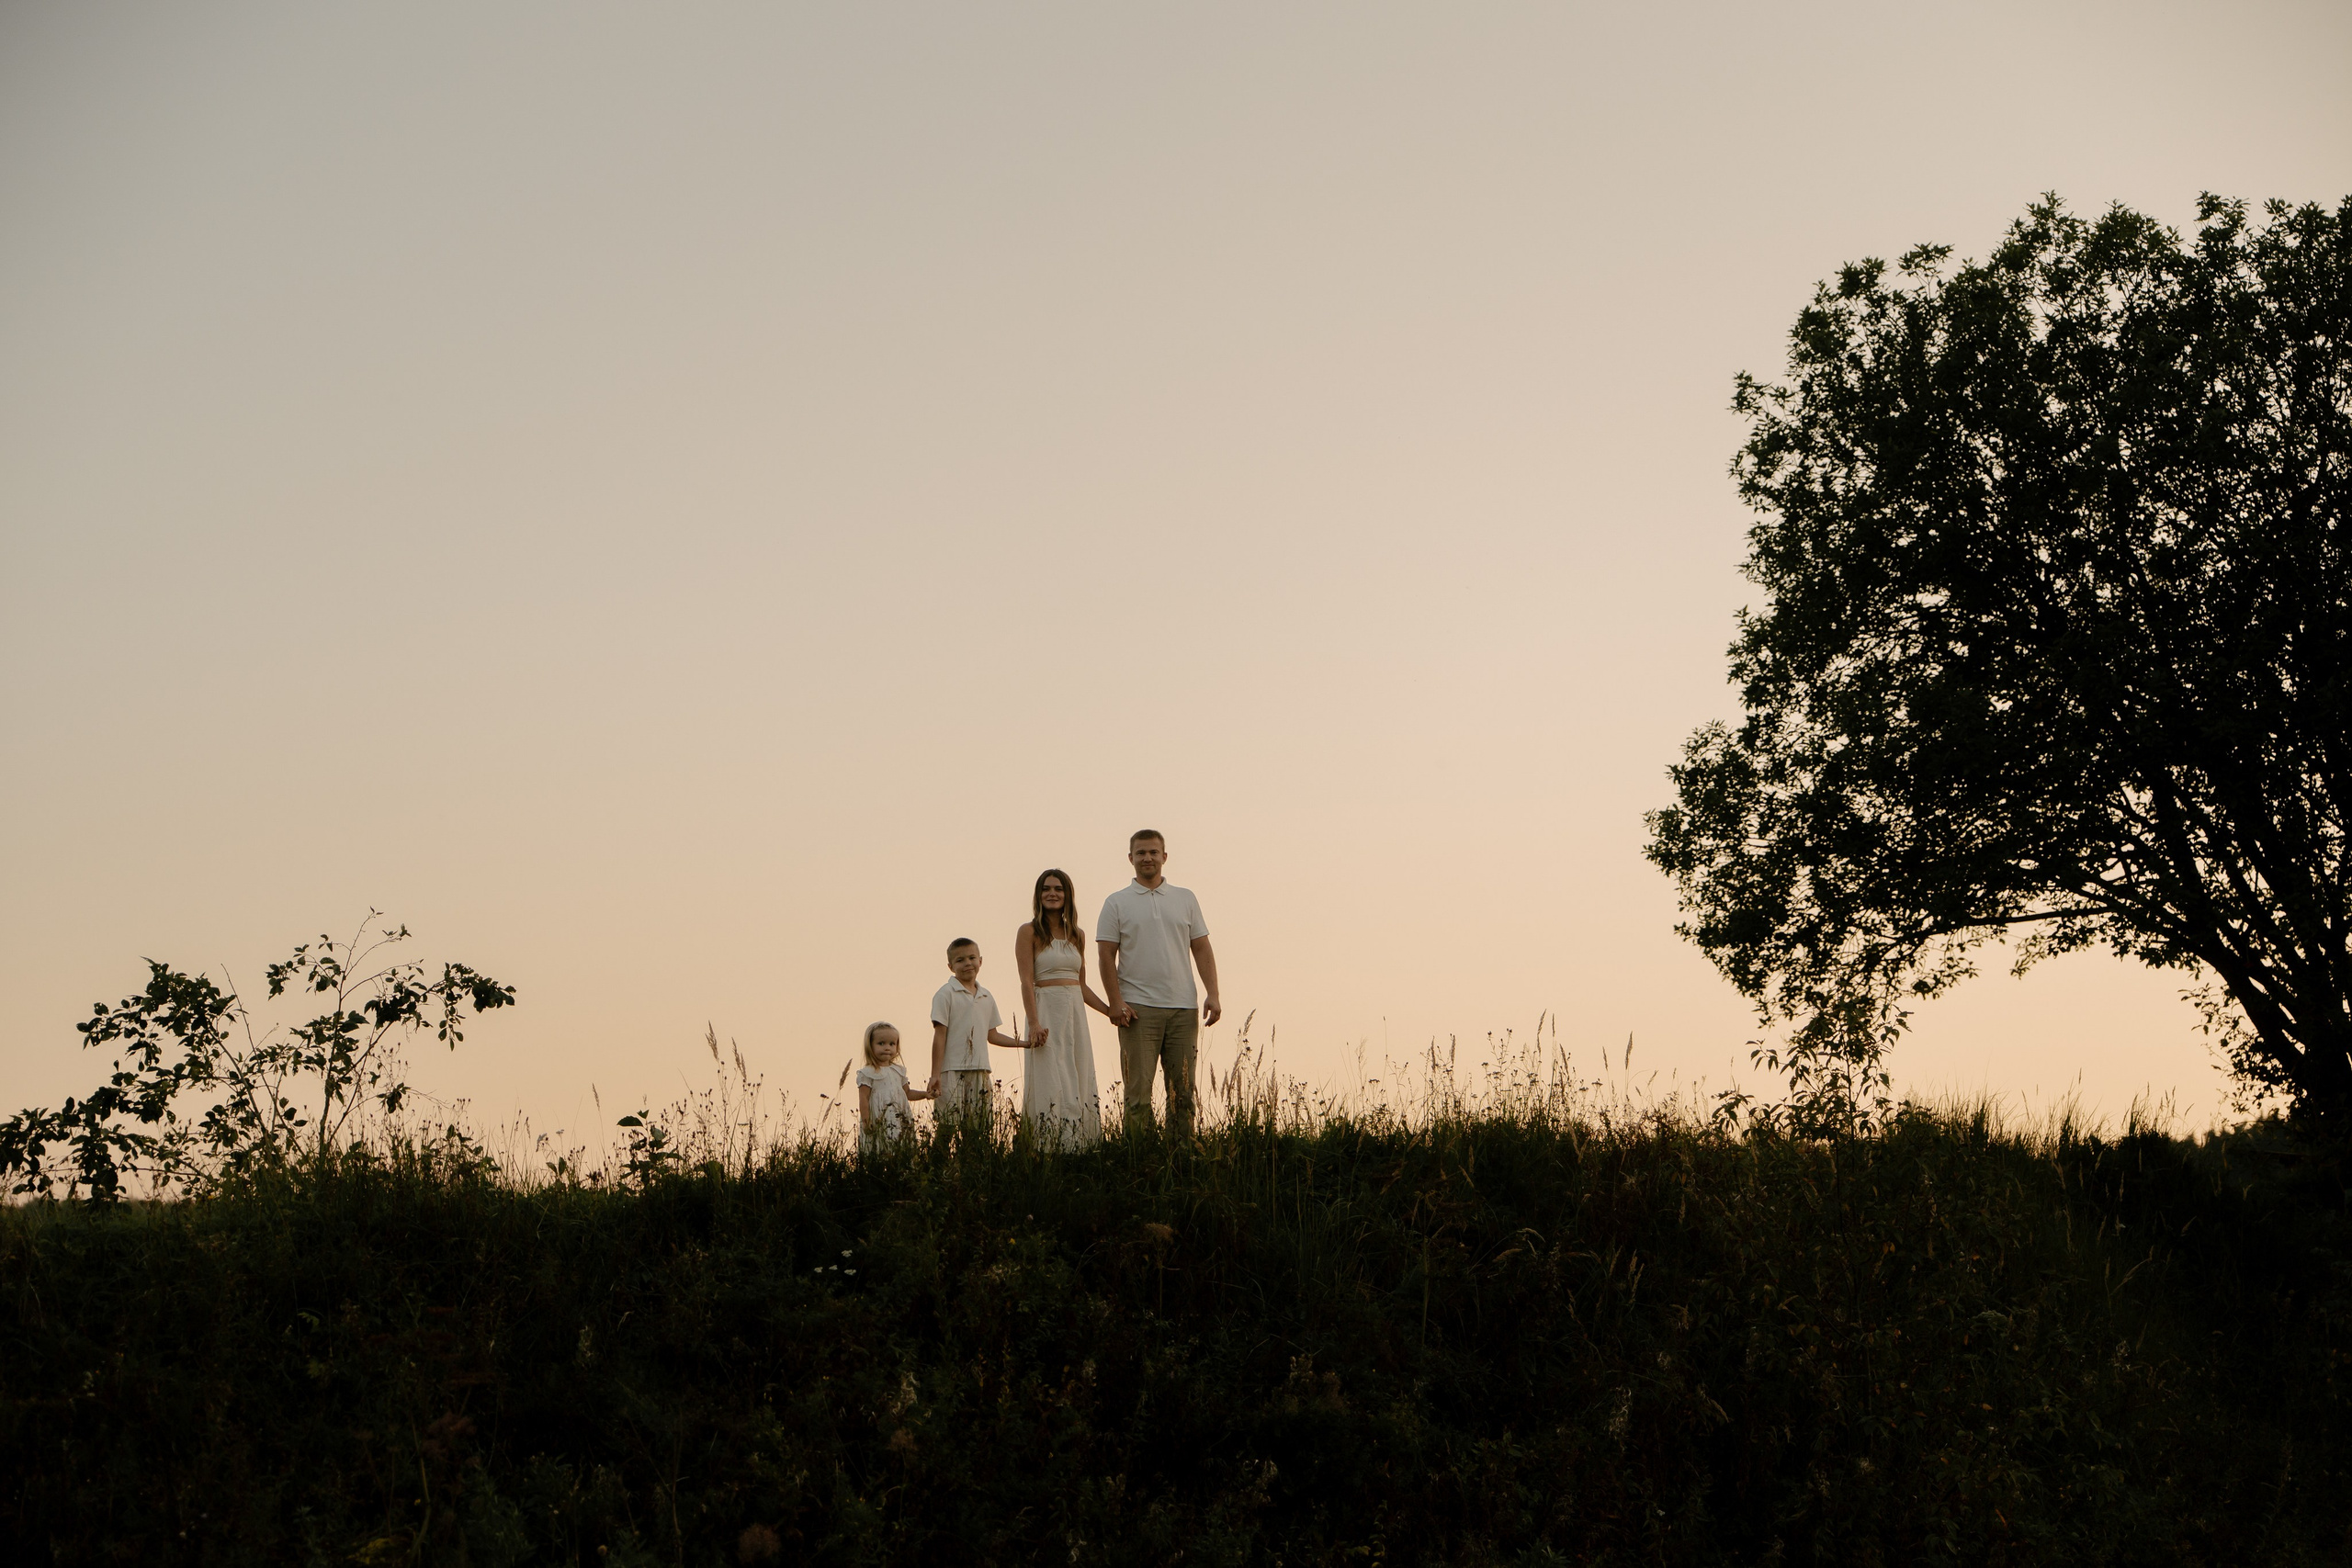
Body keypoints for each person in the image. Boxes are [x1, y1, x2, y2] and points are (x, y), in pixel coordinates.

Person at [1097, 829, 1220, 1136]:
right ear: (1130, 858)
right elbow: (1105, 955)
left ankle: (1181, 1156)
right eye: (1141, 853)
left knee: (1183, 1094)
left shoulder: (1185, 898)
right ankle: (1138, 1156)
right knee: (1138, 1094)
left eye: (1153, 852)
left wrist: (1213, 993)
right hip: (1138, 1010)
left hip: (1183, 1007)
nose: (1147, 858)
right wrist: (1115, 1002)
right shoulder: (1116, 903)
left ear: (1164, 856)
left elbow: (1201, 947)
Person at [1014, 868, 1110, 1147]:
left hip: (1074, 1013)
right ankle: (1047, 1145)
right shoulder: (1029, 931)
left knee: (1078, 1071)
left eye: (1058, 889)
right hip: (1045, 1009)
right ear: (1038, 895)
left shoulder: (1077, 935)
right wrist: (1034, 1022)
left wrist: (1111, 1011)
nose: (1052, 894)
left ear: (1067, 894)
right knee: (1050, 1074)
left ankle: (1080, 1145)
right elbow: (1026, 981)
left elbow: (1082, 985)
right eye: (1046, 889)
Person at [927, 938, 1038, 1134]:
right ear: (950, 966)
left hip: (980, 1070)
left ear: (980, 961)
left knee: (977, 1129)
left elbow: (992, 1035)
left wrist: (1024, 1043)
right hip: (951, 1071)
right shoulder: (945, 994)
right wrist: (936, 1074)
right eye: (960, 960)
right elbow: (940, 1036)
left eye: (972, 958)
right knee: (947, 1127)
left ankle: (974, 1155)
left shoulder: (986, 996)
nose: (967, 963)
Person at [855, 1021, 930, 1154]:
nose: (887, 1048)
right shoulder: (867, 1073)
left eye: (892, 1044)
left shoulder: (898, 1071)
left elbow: (907, 1093)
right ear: (870, 1046)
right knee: (880, 1148)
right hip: (879, 1119)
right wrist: (867, 1121)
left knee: (900, 1148)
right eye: (881, 1043)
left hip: (899, 1118)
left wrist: (925, 1094)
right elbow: (864, 1099)